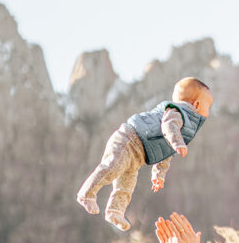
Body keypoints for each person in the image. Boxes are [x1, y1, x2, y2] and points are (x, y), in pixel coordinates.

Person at [77, 78, 212, 231]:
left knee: (126, 185)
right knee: (111, 168)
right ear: (197, 105)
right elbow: (169, 128)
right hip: (128, 140)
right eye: (209, 106)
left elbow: (165, 152)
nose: (209, 112)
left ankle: (115, 211)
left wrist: (158, 175)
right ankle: (86, 194)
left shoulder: (185, 126)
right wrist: (178, 143)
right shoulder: (177, 112)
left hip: (138, 157)